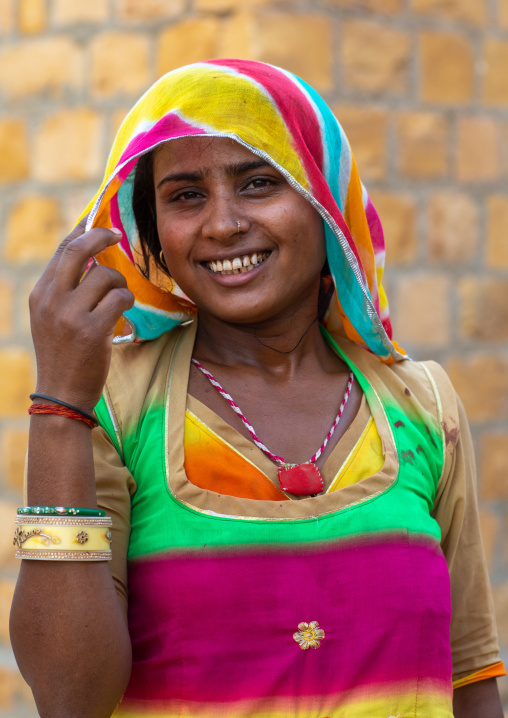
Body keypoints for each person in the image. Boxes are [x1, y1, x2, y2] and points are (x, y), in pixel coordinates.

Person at [10, 59, 506, 718]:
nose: (222, 224)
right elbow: (70, 699)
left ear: (325, 200)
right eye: (186, 195)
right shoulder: (116, 404)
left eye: (259, 182)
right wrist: (59, 407)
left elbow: (470, 677)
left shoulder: (421, 402)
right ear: (153, 232)